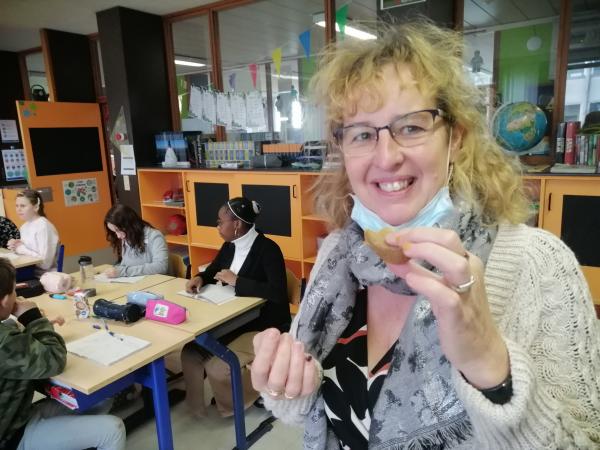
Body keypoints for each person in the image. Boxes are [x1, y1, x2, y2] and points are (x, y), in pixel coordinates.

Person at [250, 20, 600, 449]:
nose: (386, 157)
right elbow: (310, 410)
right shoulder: (337, 256)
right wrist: (287, 386)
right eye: (362, 134)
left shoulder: (539, 265)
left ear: (455, 139)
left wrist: (490, 365)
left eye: (412, 127)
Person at [0, 258, 126, 450]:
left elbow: (14, 343)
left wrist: (35, 327)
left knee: (101, 397)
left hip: (17, 415)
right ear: (4, 301)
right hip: (11, 435)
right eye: (14, 291)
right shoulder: (4, 341)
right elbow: (55, 359)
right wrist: (33, 319)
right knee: (113, 430)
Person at [182, 197, 290, 417]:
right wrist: (200, 278)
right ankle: (195, 409)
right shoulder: (229, 246)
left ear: (237, 224)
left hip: (262, 324)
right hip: (233, 318)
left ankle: (242, 401)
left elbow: (278, 292)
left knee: (217, 368)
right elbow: (212, 270)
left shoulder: (268, 250)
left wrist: (237, 281)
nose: (218, 226)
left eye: (220, 222)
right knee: (190, 353)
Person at [103, 204, 168, 277]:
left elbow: (161, 267)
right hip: (137, 282)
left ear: (130, 225)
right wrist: (116, 269)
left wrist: (123, 271)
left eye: (118, 230)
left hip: (156, 282)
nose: (118, 236)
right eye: (115, 232)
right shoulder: (127, 237)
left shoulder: (154, 236)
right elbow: (125, 265)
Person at [7, 190, 59, 274]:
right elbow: (29, 250)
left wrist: (21, 249)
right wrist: (16, 245)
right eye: (17, 206)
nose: (18, 209)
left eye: (23, 206)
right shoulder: (24, 227)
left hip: (45, 275)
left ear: (36, 207)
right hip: (29, 271)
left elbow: (45, 264)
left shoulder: (43, 226)